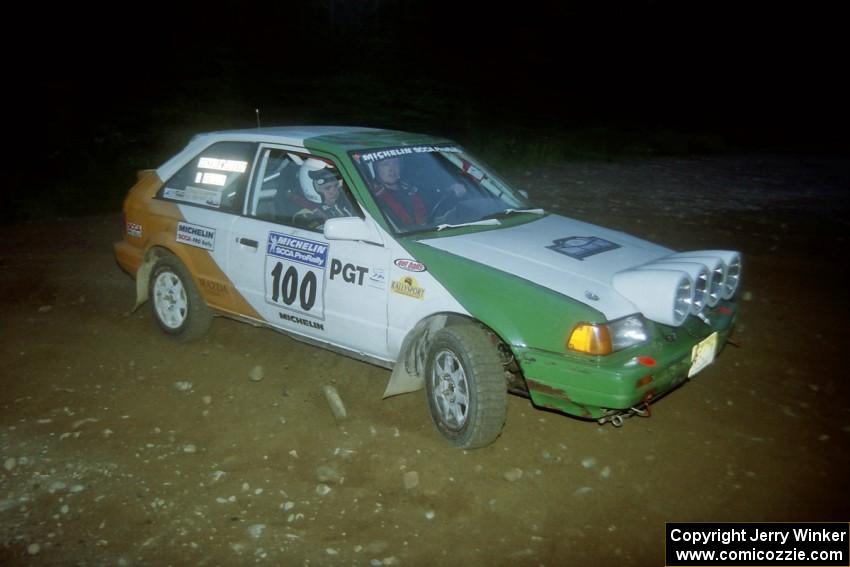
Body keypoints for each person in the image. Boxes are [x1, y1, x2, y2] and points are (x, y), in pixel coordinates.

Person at [370, 156, 466, 229]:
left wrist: (454, 191)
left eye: (395, 163)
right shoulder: (373, 198)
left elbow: (439, 201)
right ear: (376, 169)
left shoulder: (413, 187)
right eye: (385, 164)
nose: (392, 169)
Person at [292, 160, 355, 229]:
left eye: (336, 185)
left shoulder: (343, 202)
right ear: (310, 189)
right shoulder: (305, 215)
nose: (334, 192)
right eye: (327, 188)